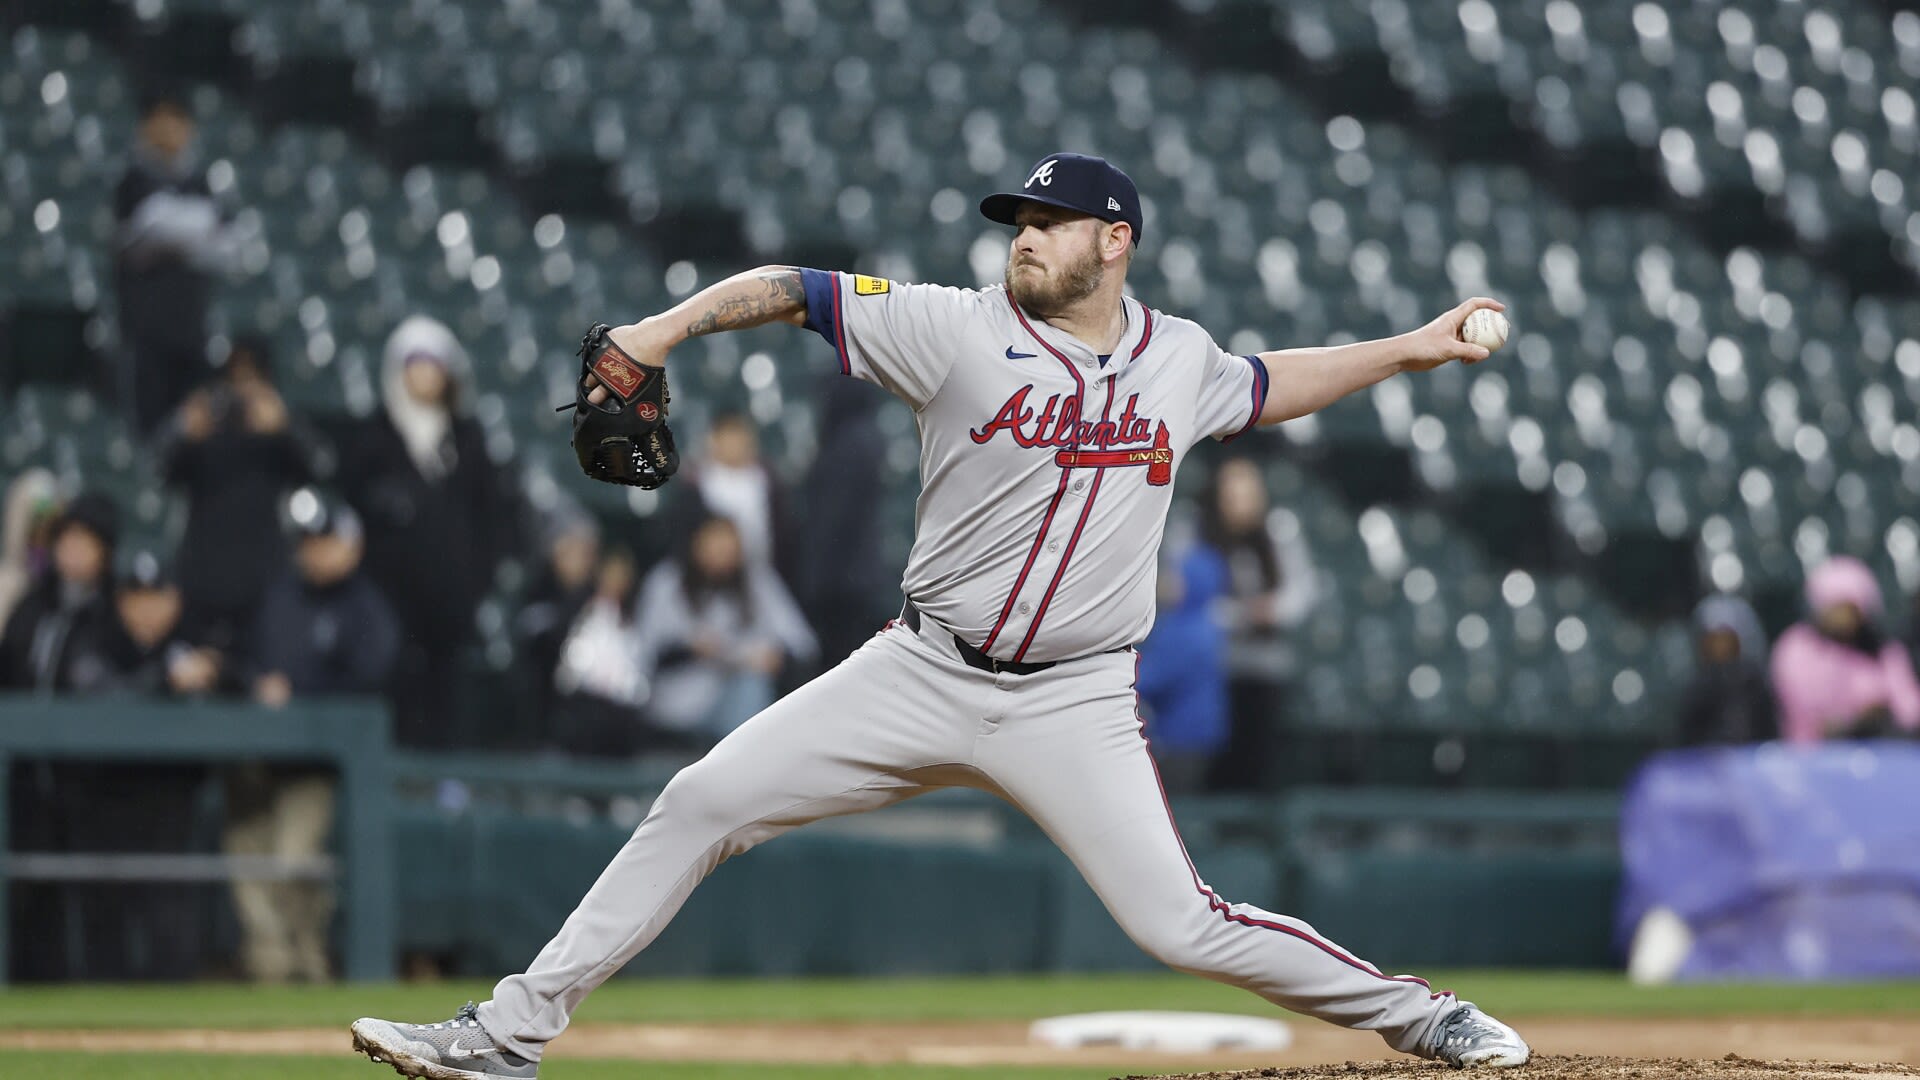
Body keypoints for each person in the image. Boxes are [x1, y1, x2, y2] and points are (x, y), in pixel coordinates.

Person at [350, 152, 1530, 1076]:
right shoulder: (951, 327)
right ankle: (507, 1037)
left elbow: (1271, 385)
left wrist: (1411, 352)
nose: (1021, 237)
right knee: (702, 798)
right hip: (921, 671)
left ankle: (1427, 1021)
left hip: (1076, 698)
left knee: (1183, 926)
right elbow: (795, 290)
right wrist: (658, 334)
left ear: (1114, 243)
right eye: (1014, 222)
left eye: (1046, 222)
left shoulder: (1181, 358)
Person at [230, 491, 400, 983]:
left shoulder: (364, 607)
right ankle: (272, 967)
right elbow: (246, 657)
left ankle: (307, 959)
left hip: (317, 765)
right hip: (261, 756)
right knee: (250, 861)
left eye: (324, 540)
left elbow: (371, 678)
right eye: (307, 541)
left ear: (351, 545)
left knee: (293, 862)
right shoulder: (280, 595)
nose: (314, 551)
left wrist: (300, 690)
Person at [335, 314, 512, 746]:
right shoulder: (372, 437)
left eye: (434, 364)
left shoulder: (468, 439)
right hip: (386, 601)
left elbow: (491, 518)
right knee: (392, 695)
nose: (425, 375)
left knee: (446, 703)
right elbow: (352, 507)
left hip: (450, 606)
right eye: (415, 363)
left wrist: (476, 581)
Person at [162, 334, 328, 653]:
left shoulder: (276, 431)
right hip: (202, 573)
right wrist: (183, 430)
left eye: (252, 379)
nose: (242, 390)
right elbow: (161, 472)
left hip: (263, 575)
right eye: (235, 378)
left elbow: (317, 469)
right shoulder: (204, 429)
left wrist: (285, 426)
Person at [113, 89, 232, 436]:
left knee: (192, 428)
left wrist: (180, 232)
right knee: (145, 429)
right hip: (145, 332)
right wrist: (196, 230)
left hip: (191, 328)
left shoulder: (200, 182)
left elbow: (229, 240)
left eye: (178, 120)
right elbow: (153, 222)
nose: (170, 129)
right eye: (161, 119)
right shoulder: (132, 179)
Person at [636, 514, 817, 740]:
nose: (721, 557)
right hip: (677, 701)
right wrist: (689, 650)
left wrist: (776, 658)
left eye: (728, 549)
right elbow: (641, 659)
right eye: (714, 547)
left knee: (752, 685)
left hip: (735, 700)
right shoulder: (666, 581)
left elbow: (803, 647)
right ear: (696, 545)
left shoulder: (756, 582)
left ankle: (745, 767)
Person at [1198, 456, 1318, 789]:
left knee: (1258, 758)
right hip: (1217, 664)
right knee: (1216, 761)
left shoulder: (1278, 531)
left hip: (1266, 665)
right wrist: (1241, 614)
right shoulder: (1201, 533)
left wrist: (1271, 610)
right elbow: (1192, 599)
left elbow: (1301, 592)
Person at [791, 378, 896, 669]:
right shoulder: (864, 435)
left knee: (840, 664)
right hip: (857, 578)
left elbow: (832, 521)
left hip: (841, 584)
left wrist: (813, 582)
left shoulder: (849, 443)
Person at [1770, 556, 1920, 743]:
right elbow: (1802, 712)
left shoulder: (1883, 649)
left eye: (1850, 609)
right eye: (1836, 608)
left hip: (1880, 753)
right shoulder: (1794, 648)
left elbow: (1910, 708)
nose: (1844, 618)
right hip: (1813, 757)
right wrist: (1850, 719)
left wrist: (1882, 713)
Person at [0, 492, 121, 693]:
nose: (72, 550)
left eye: (84, 542)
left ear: (104, 552)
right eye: (66, 540)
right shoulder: (33, 603)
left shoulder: (115, 611)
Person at [1136, 542, 1232, 794]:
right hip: (1189, 733)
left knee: (1178, 804)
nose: (1169, 581)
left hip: (1185, 737)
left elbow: (1155, 678)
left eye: (1178, 577)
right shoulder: (1190, 622)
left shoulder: (1191, 630)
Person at [549, 546, 652, 758]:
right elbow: (572, 669)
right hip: (586, 709)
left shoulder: (637, 617)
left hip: (624, 714)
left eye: (622, 574)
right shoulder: (582, 611)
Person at [689, 412, 786, 572]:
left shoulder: (768, 482)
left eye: (739, 436)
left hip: (763, 572)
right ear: (714, 440)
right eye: (728, 437)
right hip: (709, 576)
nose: (734, 444)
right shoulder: (696, 485)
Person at [1675, 595, 1776, 747]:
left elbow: (1769, 733)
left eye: (1726, 639)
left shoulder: (1755, 684)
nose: (1720, 647)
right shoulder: (1697, 687)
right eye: (1714, 640)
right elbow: (1686, 737)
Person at [0, 468, 61, 631]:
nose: (42, 532)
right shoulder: (6, 584)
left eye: (51, 526)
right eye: (37, 522)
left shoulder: (58, 589)